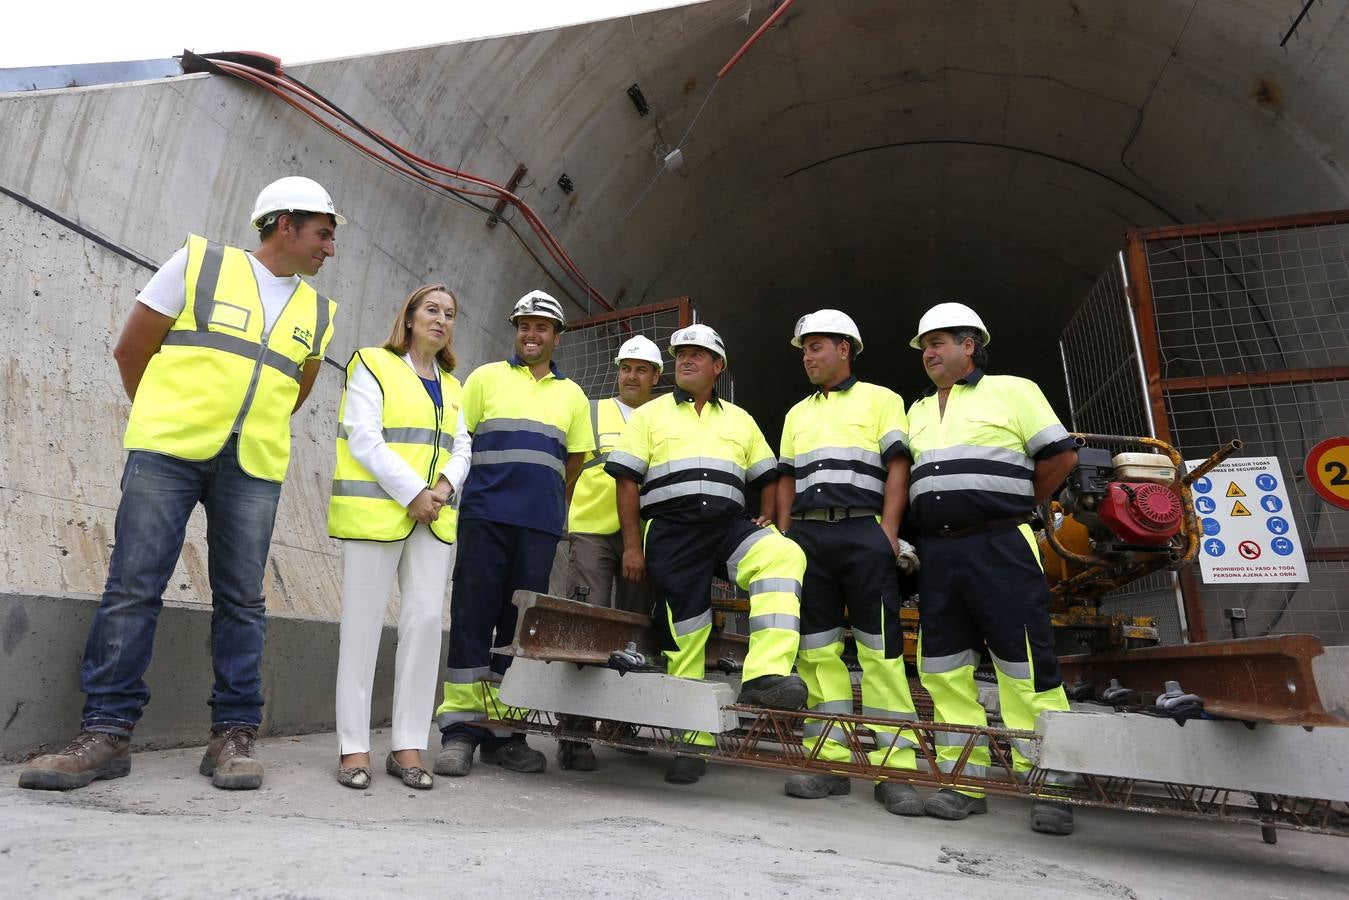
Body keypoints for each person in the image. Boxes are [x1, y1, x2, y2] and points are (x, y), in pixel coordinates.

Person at [20, 176, 343, 792]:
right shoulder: (198, 263)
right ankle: (106, 733)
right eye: (323, 235)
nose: (329, 249)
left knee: (243, 601)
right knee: (133, 587)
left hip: (252, 464)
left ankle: (233, 736)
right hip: (167, 453)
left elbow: (294, 391)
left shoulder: (318, 312)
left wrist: (242, 427)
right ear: (285, 224)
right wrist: (165, 419)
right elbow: (131, 350)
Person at [606, 324, 808, 786]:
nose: (687, 361)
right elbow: (627, 483)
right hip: (673, 531)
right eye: (681, 355)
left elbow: (769, 474)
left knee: (782, 554)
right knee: (688, 630)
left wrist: (771, 519)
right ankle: (691, 742)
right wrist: (633, 547)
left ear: (718, 367)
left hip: (727, 526)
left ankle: (767, 675)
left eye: (698, 355)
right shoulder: (651, 416)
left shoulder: (740, 420)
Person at [906, 302, 1079, 835]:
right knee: (942, 667)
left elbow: (1060, 456)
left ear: (970, 346)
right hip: (938, 553)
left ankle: (1051, 782)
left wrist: (1020, 504)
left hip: (1001, 545)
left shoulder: (1014, 390)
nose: (930, 353)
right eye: (925, 345)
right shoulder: (915, 412)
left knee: (1024, 661)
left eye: (940, 342)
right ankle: (964, 779)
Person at [432, 290, 593, 777]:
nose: (531, 333)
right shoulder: (484, 379)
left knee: (520, 630)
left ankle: (506, 735)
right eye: (524, 325)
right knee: (472, 618)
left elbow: (576, 460)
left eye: (541, 326)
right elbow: (463, 441)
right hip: (484, 519)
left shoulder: (573, 396)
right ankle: (460, 733)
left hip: (538, 526)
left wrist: (542, 502)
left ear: (557, 337)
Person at [775, 310, 923, 816]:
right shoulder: (796, 414)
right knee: (816, 650)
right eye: (804, 350)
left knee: (880, 649)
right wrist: (787, 535)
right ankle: (829, 760)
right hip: (811, 535)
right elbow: (787, 478)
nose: (808, 357)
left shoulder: (882, 400)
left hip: (864, 531)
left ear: (845, 348)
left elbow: (897, 465)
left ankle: (896, 768)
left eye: (816, 347)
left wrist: (887, 531)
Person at [328, 284, 471, 790]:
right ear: (408, 317)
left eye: (449, 314)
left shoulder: (456, 386)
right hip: (378, 513)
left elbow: (463, 447)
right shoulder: (372, 363)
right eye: (431, 310)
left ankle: (408, 744)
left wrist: (443, 490)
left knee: (426, 623)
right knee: (362, 628)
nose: (441, 319)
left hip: (433, 518)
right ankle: (353, 746)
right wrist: (413, 491)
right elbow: (363, 436)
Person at [555, 334, 664, 771]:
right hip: (593, 531)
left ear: (656, 376)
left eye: (641, 369)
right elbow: (573, 465)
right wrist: (561, 518)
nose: (631, 376)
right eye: (625, 368)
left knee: (635, 629)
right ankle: (575, 732)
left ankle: (621, 723)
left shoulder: (664, 416)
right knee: (590, 623)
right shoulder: (593, 409)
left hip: (645, 533)